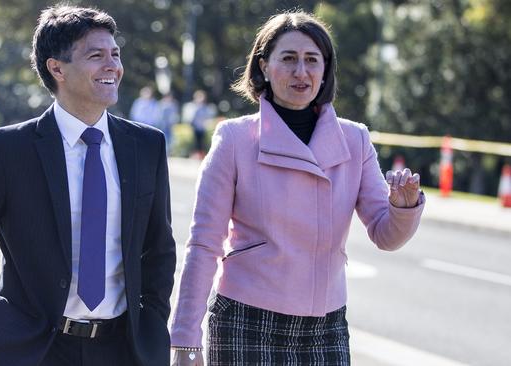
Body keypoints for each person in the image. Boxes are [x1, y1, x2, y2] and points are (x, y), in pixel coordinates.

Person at [170, 11, 425, 366]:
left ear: (325, 69)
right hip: (245, 320)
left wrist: (403, 207)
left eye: (311, 60)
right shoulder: (234, 139)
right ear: (263, 66)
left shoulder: (355, 139)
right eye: (288, 59)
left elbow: (386, 236)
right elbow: (203, 245)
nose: (301, 72)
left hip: (326, 327)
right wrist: (185, 338)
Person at [0, 5, 176, 366]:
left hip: (124, 348)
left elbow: (159, 248)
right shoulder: (7, 150)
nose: (113, 65)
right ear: (56, 68)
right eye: (96, 56)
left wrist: (153, 318)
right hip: (36, 350)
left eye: (115, 54)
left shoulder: (147, 145)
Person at [182, 90, 215, 159]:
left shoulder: (205, 107)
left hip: (202, 127)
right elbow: (190, 117)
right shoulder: (192, 106)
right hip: (194, 127)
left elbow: (208, 116)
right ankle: (194, 154)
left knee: (201, 142)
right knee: (195, 142)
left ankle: (200, 154)